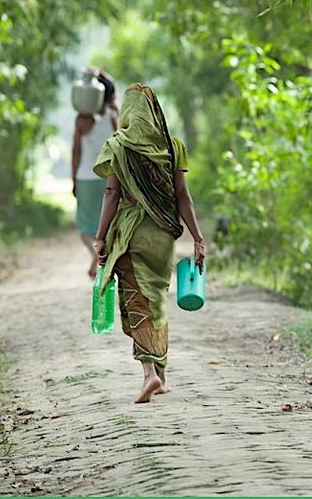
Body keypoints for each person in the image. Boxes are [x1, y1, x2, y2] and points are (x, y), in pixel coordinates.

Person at [92, 82, 206, 403]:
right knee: (156, 299)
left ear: (127, 113)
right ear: (155, 112)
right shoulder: (173, 147)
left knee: (136, 300)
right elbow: (183, 197)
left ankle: (149, 375)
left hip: (131, 234)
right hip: (163, 235)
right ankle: (163, 374)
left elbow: (112, 193)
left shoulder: (119, 146)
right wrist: (197, 237)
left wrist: (100, 238)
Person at [72, 68, 119, 278]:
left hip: (85, 175)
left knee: (84, 226)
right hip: (107, 175)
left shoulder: (81, 120)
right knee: (106, 222)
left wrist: (73, 178)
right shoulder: (113, 115)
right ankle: (103, 256)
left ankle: (94, 255)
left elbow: (76, 150)